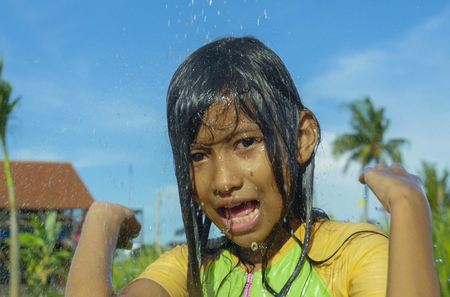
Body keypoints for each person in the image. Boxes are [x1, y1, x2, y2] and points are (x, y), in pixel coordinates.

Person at [65, 37, 440, 296]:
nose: (223, 181)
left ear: (302, 138)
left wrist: (410, 205)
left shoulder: (349, 256)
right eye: (198, 156)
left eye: (246, 142)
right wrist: (101, 219)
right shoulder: (191, 270)